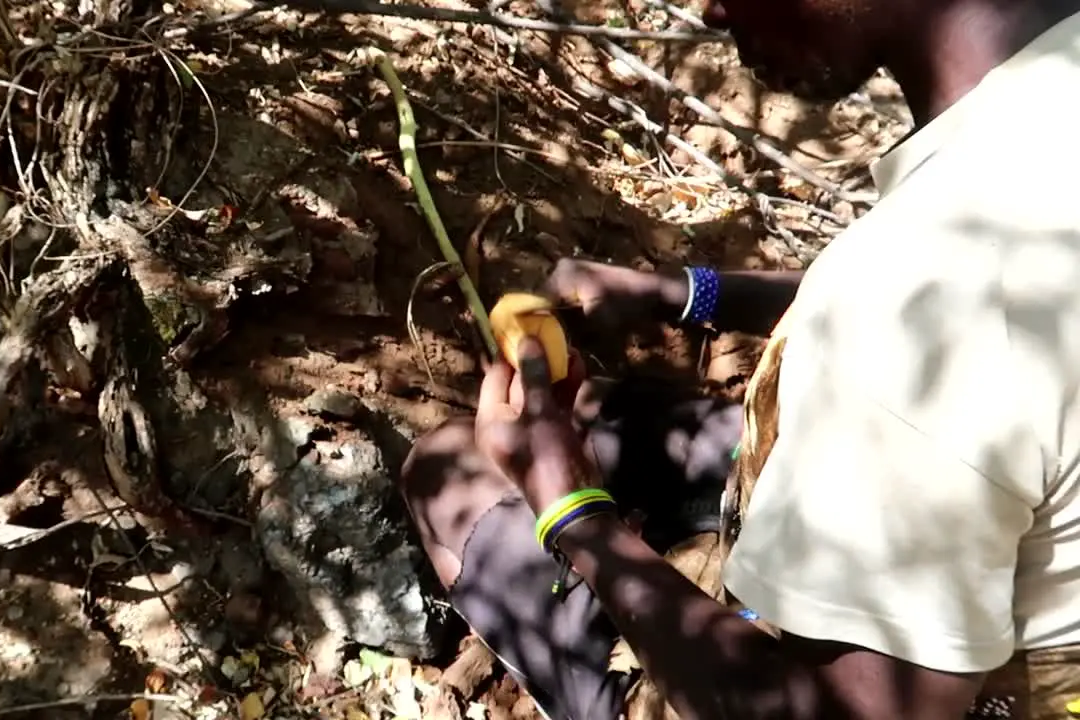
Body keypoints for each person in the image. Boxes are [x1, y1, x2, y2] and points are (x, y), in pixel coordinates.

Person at [396, 0, 1080, 717]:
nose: (713, 7)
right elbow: (958, 329)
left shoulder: (915, 291)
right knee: (595, 410)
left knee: (451, 475)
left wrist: (574, 516)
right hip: (1012, 547)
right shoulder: (1034, 103)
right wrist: (689, 293)